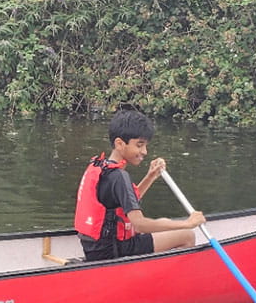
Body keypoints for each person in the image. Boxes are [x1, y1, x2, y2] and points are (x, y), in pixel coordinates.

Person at [74, 110, 206, 261]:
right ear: (119, 144)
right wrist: (187, 224)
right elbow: (139, 225)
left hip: (97, 249)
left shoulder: (102, 167)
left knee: (165, 221)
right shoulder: (119, 176)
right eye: (139, 145)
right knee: (186, 235)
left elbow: (127, 203)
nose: (144, 151)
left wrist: (151, 176)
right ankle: (158, 279)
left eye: (145, 145)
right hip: (115, 250)